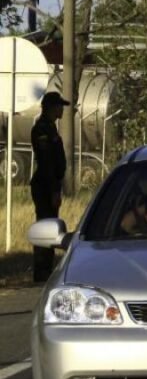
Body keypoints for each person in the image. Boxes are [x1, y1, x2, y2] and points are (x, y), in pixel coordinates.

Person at [30, 92, 69, 282]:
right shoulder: (42, 129)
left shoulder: (51, 128)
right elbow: (47, 163)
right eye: (59, 106)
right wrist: (54, 190)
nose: (62, 109)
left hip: (51, 184)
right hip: (45, 185)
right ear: (52, 107)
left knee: (50, 225)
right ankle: (41, 270)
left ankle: (46, 268)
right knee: (45, 226)